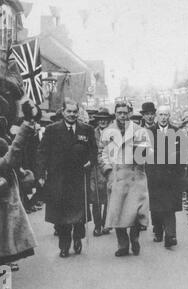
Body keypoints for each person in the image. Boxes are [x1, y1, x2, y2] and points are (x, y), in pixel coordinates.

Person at [36, 98, 97, 258]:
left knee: (78, 215)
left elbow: (93, 152)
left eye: (74, 112)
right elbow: (42, 153)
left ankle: (78, 237)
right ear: (63, 112)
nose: (72, 115)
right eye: (69, 111)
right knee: (61, 216)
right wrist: (41, 173)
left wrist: (90, 162)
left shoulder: (87, 129)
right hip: (59, 179)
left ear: (78, 113)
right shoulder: (52, 130)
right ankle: (64, 246)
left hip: (79, 178)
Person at [99, 103, 150, 257]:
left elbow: (148, 152)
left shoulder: (139, 131)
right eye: (119, 113)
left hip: (136, 176)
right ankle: (123, 244)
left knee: (135, 212)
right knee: (117, 211)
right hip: (117, 176)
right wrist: (108, 170)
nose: (122, 115)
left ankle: (134, 238)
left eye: (125, 113)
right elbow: (102, 152)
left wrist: (142, 154)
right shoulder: (108, 132)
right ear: (115, 114)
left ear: (130, 113)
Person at [0, 102, 38, 289]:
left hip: (3, 209)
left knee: (3, 260)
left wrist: (26, 125)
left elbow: (11, 155)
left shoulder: (2, 144)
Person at [147, 105, 184, 248]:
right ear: (157, 116)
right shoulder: (149, 132)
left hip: (171, 177)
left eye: (166, 115)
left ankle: (170, 235)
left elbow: (183, 152)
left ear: (169, 116)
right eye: (161, 114)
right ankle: (158, 231)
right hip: (155, 176)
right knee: (156, 207)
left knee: (169, 207)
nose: (163, 117)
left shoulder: (176, 131)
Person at [90, 108, 114, 236]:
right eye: (100, 119)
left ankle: (106, 224)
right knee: (96, 199)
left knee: (108, 197)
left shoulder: (114, 134)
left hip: (110, 168)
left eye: (105, 119)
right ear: (97, 121)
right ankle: (97, 225)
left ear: (109, 121)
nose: (103, 121)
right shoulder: (91, 133)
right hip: (95, 170)